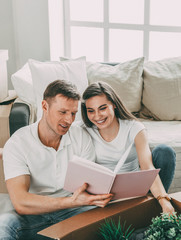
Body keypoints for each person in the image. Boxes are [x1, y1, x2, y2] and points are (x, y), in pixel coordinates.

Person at [0, 80, 113, 240]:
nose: (69, 120)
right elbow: (21, 202)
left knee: (112, 224)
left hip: (74, 211)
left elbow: (86, 188)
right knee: (3, 225)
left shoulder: (81, 137)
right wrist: (71, 202)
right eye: (63, 112)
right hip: (34, 213)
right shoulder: (18, 144)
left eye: (73, 113)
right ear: (45, 107)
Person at [81, 81, 176, 214]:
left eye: (102, 108)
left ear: (113, 104)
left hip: (135, 193)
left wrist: (164, 200)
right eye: (91, 111)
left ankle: (157, 208)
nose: (97, 116)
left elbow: (147, 166)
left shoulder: (134, 128)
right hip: (103, 197)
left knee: (165, 152)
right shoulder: (84, 131)